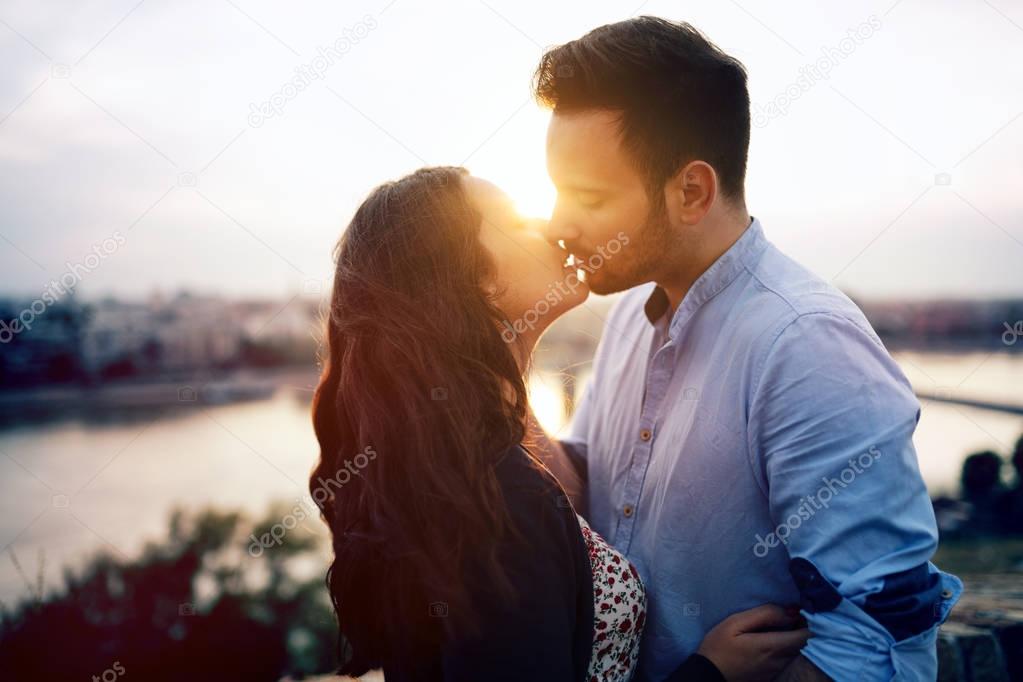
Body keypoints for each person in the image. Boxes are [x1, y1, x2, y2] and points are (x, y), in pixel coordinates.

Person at [527, 16, 962, 681]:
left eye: (586, 196)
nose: (557, 221)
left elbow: (871, 645)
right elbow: (584, 494)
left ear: (691, 191)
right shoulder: (625, 320)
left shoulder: (805, 345)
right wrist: (496, 358)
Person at [310, 166, 809, 680]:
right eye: (515, 222)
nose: (550, 228)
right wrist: (711, 673)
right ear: (474, 279)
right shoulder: (499, 505)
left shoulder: (455, 473)